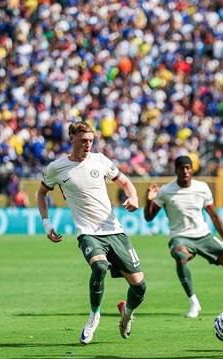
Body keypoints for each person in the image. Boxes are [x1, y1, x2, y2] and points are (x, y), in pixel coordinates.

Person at [36, 121, 146, 345]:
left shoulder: (100, 160)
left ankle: (126, 314)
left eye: (91, 141)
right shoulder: (57, 167)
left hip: (114, 230)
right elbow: (41, 193)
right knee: (99, 266)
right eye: (83, 140)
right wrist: (46, 225)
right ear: (72, 139)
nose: (88, 145)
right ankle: (94, 316)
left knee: (139, 286)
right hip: (88, 232)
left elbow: (125, 182)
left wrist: (133, 197)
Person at [144, 156, 223, 318]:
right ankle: (194, 303)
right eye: (181, 168)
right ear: (176, 170)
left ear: (192, 169)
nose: (185, 171)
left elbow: (214, 216)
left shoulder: (202, 188)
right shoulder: (165, 191)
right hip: (180, 237)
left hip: (204, 236)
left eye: (188, 167)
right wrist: (148, 201)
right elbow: (149, 217)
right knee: (180, 257)